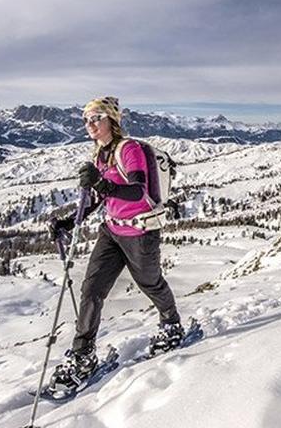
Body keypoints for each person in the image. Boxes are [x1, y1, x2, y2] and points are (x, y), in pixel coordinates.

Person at [49, 96, 184, 382]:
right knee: (92, 289)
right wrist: (69, 222)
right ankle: (83, 354)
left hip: (140, 231)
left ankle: (171, 323)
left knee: (150, 282)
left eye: (96, 117)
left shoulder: (129, 149)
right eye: (86, 119)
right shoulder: (101, 154)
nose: (90, 124)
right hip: (111, 231)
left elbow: (138, 191)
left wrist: (102, 183)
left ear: (112, 120)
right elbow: (99, 198)